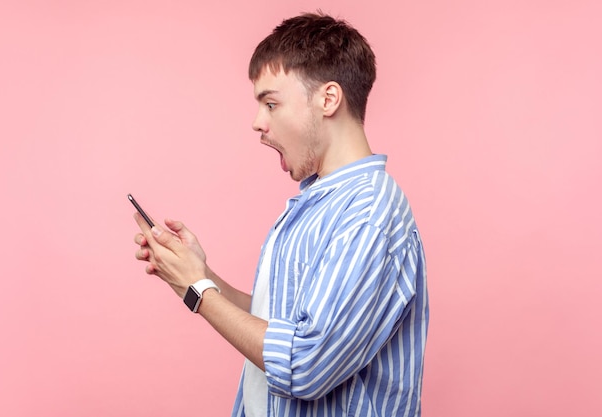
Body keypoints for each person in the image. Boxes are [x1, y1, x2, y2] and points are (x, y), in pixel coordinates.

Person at [133, 12, 429, 417]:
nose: (258, 123)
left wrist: (198, 292)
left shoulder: (368, 214)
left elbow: (306, 364)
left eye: (271, 103)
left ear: (328, 99)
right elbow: (281, 324)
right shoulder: (317, 202)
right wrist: (195, 275)